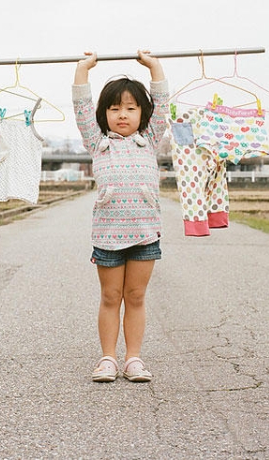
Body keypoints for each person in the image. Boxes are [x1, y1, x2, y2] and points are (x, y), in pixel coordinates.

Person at [72, 49, 168, 382]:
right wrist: (83, 70)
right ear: (104, 114)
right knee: (111, 297)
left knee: (137, 297)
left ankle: (134, 359)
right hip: (108, 236)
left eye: (130, 108)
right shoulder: (97, 142)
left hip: (145, 233)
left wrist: (154, 67)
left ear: (143, 113)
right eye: (114, 109)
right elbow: (81, 108)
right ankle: (108, 359)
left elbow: (163, 105)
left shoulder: (150, 140)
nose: (122, 115)